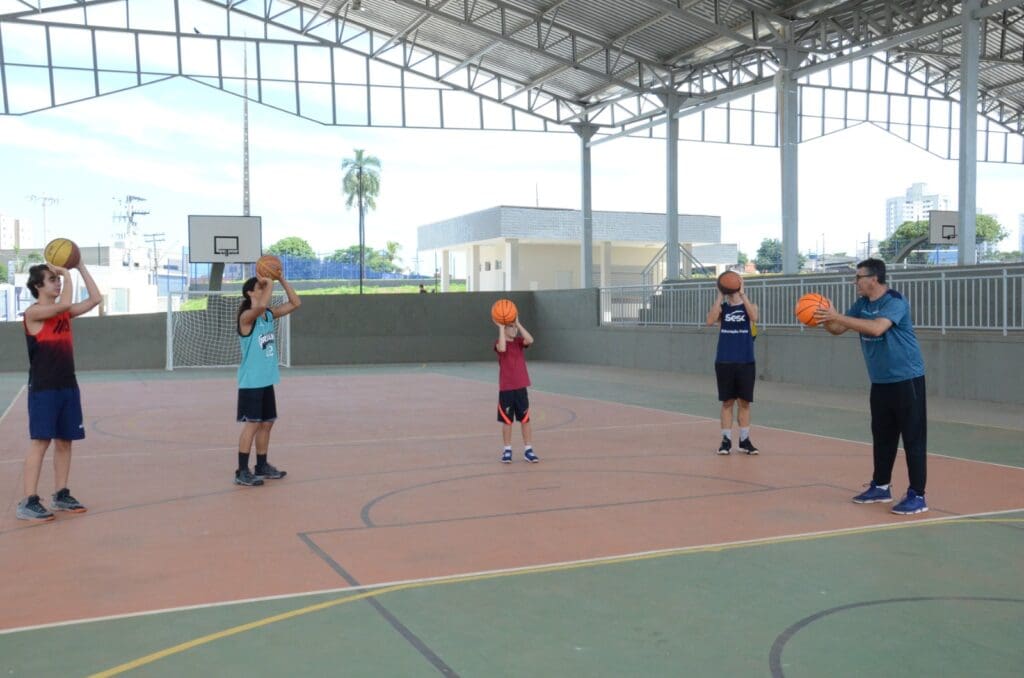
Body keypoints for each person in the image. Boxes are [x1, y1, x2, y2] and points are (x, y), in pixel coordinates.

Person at [814, 258, 928, 515]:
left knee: (913, 438)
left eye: (858, 277)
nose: (855, 282)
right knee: (883, 436)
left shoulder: (894, 301)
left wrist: (838, 316)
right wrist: (822, 316)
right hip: (881, 382)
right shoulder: (862, 304)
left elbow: (877, 329)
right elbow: (838, 328)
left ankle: (918, 494)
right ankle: (881, 486)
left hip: (907, 379)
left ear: (873, 278)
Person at [16, 262, 102, 521]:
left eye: (58, 279)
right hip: (44, 387)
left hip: (67, 385)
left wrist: (80, 267)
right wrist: (66, 272)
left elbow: (96, 298)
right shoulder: (33, 313)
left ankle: (60, 494)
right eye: (52, 279)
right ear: (38, 286)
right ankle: (28, 501)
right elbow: (64, 305)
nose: (58, 282)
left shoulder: (62, 314)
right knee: (41, 441)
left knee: (65, 441)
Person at [234, 271, 301, 486]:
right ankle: (241, 471)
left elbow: (295, 303)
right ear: (250, 292)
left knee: (266, 424)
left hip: (266, 380)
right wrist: (269, 282)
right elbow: (260, 307)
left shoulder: (268, 315)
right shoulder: (246, 317)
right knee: (252, 425)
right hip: (251, 382)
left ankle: (261, 466)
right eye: (260, 287)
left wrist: (281, 279)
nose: (264, 289)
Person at [706, 275, 759, 455]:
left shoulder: (748, 306)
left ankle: (744, 440)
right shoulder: (723, 309)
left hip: (745, 360)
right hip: (725, 360)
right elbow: (709, 321)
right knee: (727, 402)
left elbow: (755, 317)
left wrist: (743, 294)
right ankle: (726, 440)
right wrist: (720, 296)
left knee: (744, 403)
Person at [495, 317, 538, 463]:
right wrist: (501, 327)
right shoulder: (499, 343)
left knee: (525, 419)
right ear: (505, 329)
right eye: (511, 327)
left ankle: (528, 450)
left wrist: (518, 323)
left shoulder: (519, 342)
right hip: (506, 389)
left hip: (521, 388)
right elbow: (502, 348)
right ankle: (507, 450)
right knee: (507, 421)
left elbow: (530, 340)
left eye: (515, 327)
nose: (514, 330)